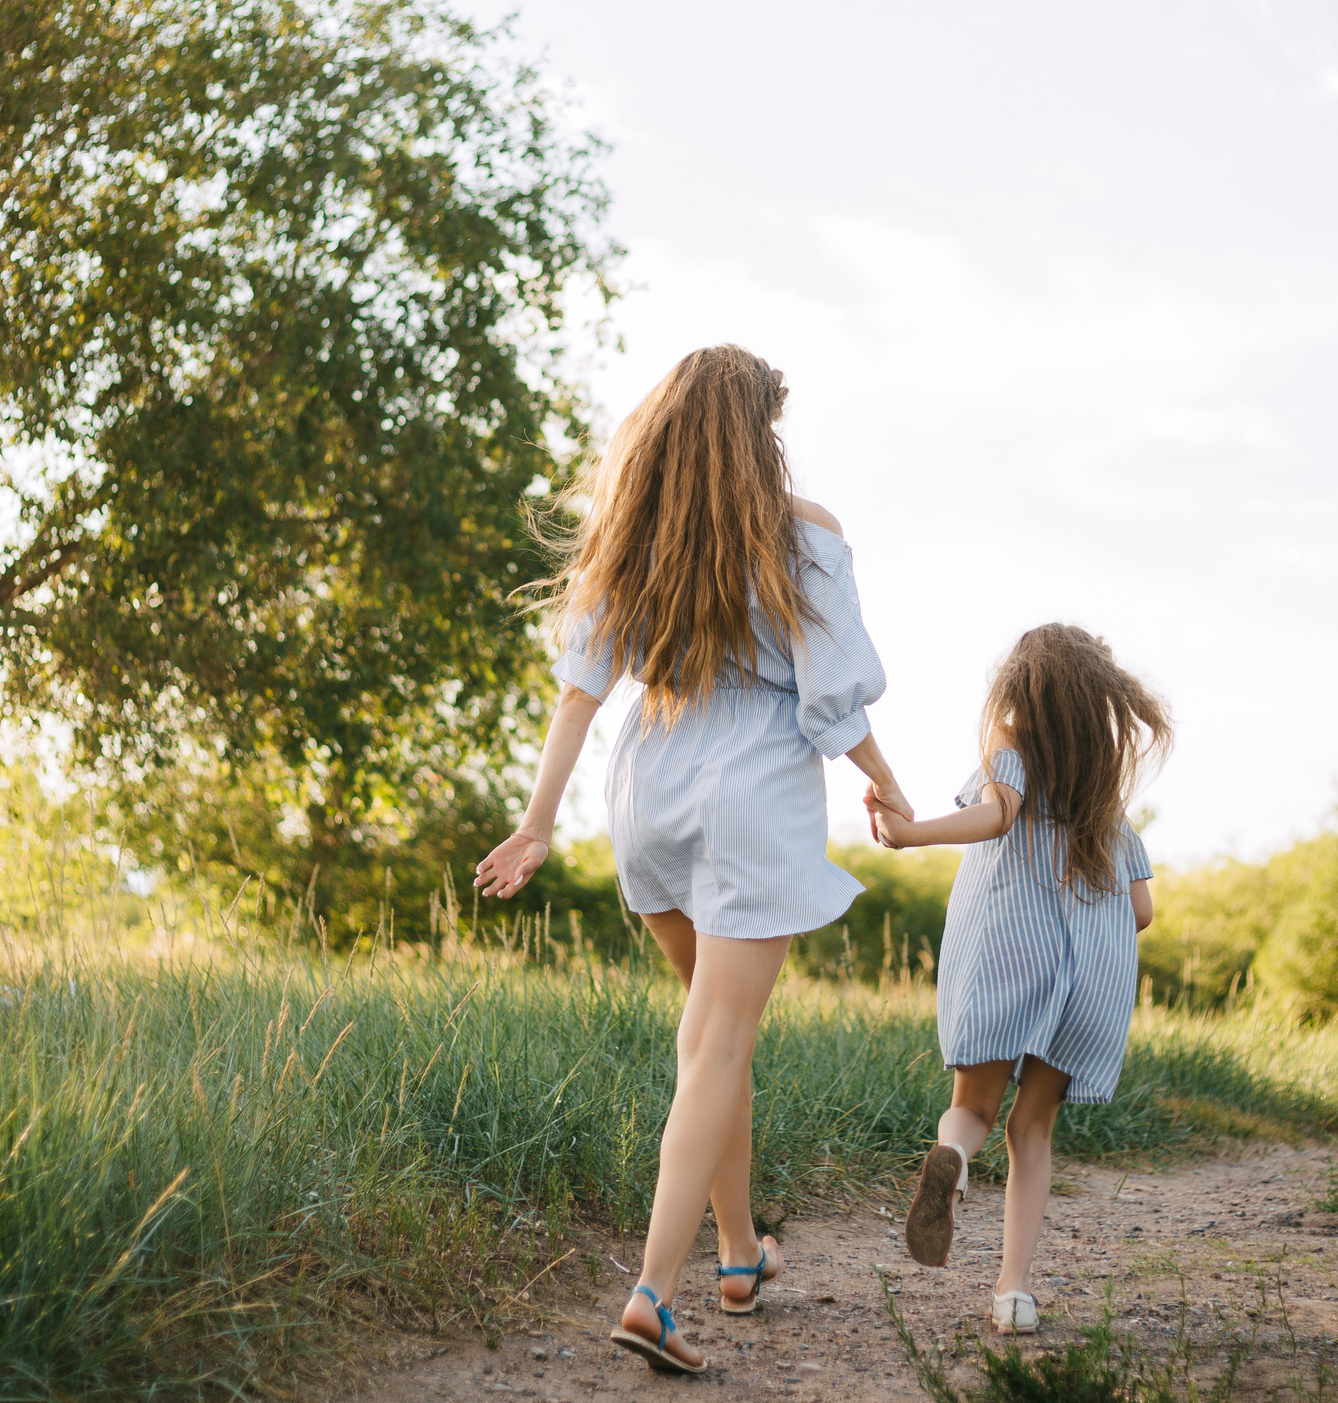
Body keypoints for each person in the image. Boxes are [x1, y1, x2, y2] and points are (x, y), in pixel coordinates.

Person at [474, 345, 911, 1377]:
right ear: (759, 430)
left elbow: (581, 688)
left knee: (716, 1041)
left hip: (651, 786)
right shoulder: (807, 534)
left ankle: (735, 1253)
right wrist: (887, 785)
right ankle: (651, 1295)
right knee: (715, 1046)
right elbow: (830, 699)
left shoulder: (628, 536)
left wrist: (539, 824)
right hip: (754, 783)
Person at [870, 623, 1169, 1334]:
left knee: (973, 1110)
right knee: (1032, 1129)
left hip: (1011, 949)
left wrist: (909, 833)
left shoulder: (1010, 748)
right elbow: (1143, 910)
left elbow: (999, 812)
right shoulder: (1106, 804)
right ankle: (1013, 1293)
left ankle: (953, 1157)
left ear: (1022, 695)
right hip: (1088, 979)